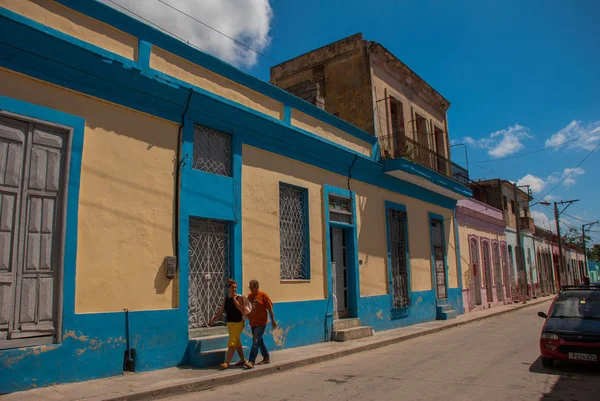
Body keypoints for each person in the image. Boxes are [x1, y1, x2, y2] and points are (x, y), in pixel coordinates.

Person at [208, 279, 247, 370]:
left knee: (232, 343)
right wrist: (212, 321)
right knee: (237, 342)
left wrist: (235, 300)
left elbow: (243, 310)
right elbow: (220, 312)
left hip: (238, 323)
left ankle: (226, 363)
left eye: (235, 288)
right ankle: (242, 360)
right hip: (229, 323)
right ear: (228, 289)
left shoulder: (239, 298)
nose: (234, 289)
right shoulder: (226, 299)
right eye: (232, 288)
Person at [245, 280, 276, 369]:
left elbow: (270, 309)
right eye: (249, 287)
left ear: (256, 287)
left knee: (255, 341)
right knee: (259, 341)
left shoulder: (263, 296)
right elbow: (248, 308)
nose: (250, 289)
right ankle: (266, 357)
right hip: (253, 323)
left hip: (261, 323)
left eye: (251, 287)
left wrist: (273, 321)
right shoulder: (250, 296)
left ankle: (251, 361)